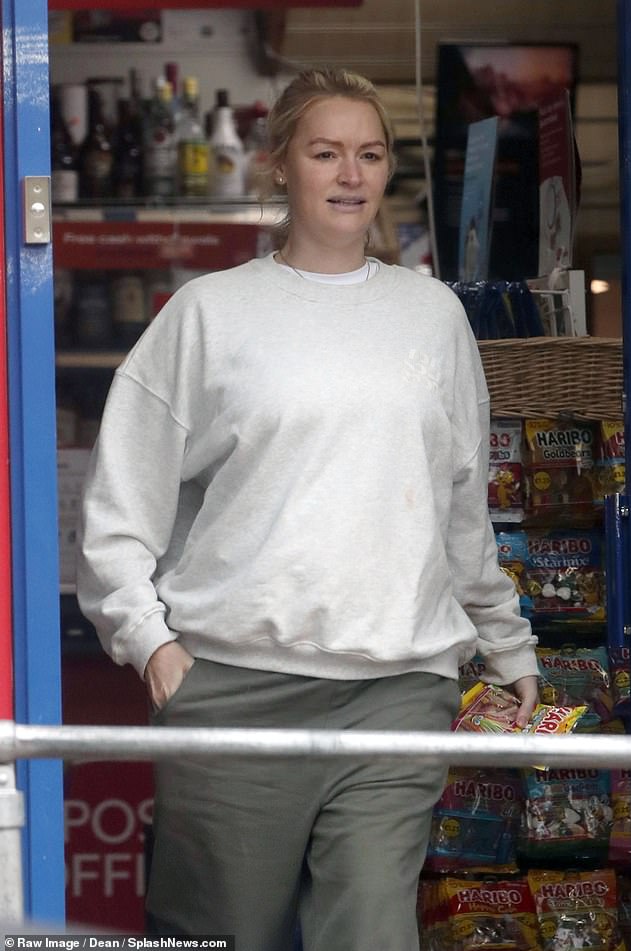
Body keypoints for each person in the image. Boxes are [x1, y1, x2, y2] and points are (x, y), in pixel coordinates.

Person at [76, 67, 538, 951]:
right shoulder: (209, 313)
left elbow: (459, 508)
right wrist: (155, 648)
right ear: (281, 165)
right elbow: (119, 504)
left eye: (369, 154)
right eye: (326, 151)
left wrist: (505, 639)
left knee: (372, 935)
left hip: (397, 689)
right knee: (220, 936)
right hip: (235, 691)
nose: (350, 174)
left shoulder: (431, 315)